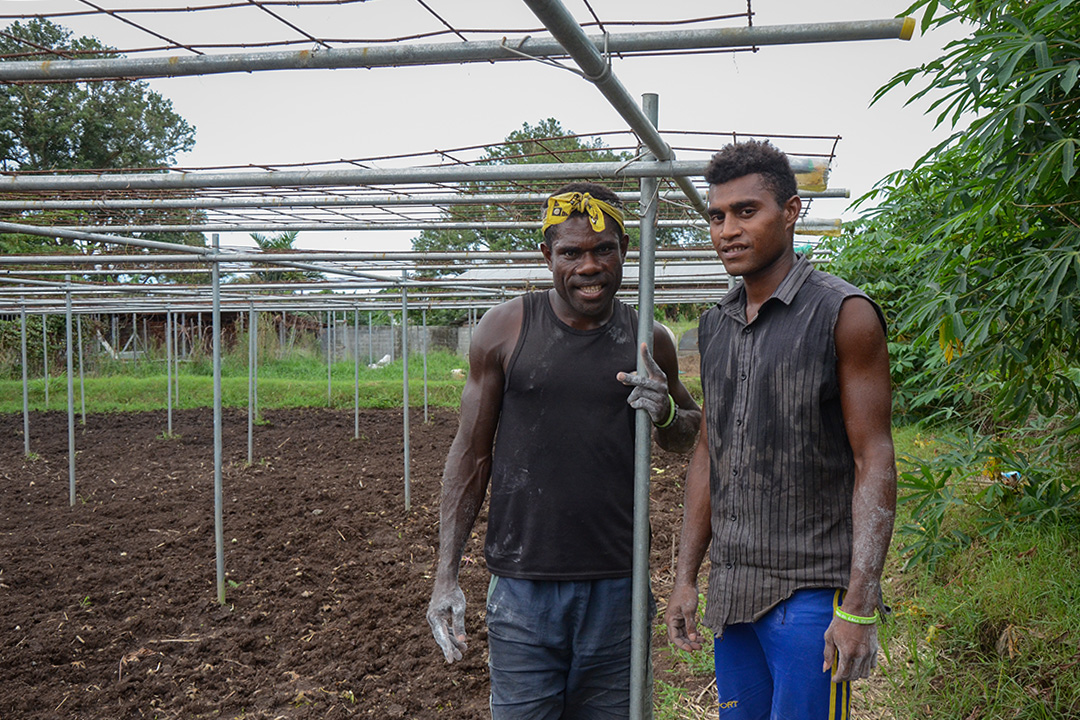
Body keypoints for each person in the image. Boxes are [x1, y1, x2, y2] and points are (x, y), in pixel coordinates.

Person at [427, 181, 701, 719]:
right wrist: (445, 576)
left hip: (620, 585)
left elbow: (688, 434)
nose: (589, 266)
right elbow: (471, 455)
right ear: (547, 255)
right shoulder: (506, 328)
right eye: (572, 252)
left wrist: (664, 408)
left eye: (605, 250)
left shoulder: (651, 338)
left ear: (626, 251)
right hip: (524, 588)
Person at [664, 141, 897, 719]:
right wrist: (686, 578)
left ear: (790, 212)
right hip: (734, 588)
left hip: (812, 592)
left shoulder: (843, 313)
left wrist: (860, 604)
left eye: (747, 212)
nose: (727, 230)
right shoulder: (714, 328)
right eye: (717, 216)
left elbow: (875, 457)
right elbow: (707, 453)